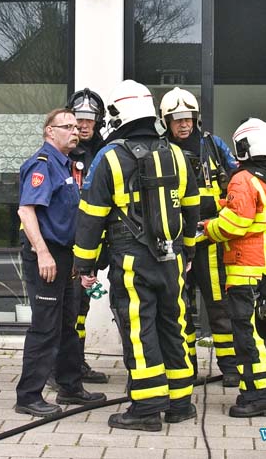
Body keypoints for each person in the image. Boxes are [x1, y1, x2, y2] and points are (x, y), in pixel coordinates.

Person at [73, 80, 200, 432]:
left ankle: (145, 408)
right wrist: (187, 249)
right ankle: (180, 402)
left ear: (117, 114)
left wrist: (84, 264)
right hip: (172, 258)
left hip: (131, 259)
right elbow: (192, 207)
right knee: (173, 325)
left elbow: (91, 216)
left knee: (139, 329)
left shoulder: (111, 158)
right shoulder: (176, 153)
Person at [14, 108, 107, 418]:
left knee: (68, 324)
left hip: (66, 258)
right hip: (48, 256)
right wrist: (43, 253)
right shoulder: (42, 166)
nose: (75, 130)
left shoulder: (67, 166)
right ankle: (28, 396)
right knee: (45, 327)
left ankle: (69, 386)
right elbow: (26, 212)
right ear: (49, 132)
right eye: (66, 126)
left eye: (76, 126)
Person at [202, 117, 266, 417]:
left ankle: (257, 396)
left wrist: (209, 229)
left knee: (248, 335)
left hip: (247, 272)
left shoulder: (243, 178)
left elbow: (237, 222)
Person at [159, 87, 239, 386]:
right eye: (177, 119)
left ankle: (230, 366)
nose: (184, 125)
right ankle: (185, 366)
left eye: (188, 118)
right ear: (166, 121)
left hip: (210, 242)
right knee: (179, 306)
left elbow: (236, 183)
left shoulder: (214, 146)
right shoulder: (160, 150)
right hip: (176, 242)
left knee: (219, 306)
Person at [67, 88, 109, 384]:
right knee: (68, 306)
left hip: (93, 241)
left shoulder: (106, 152)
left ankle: (76, 363)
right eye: (79, 119)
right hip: (68, 239)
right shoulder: (62, 150)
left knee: (83, 306)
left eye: (89, 120)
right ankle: (64, 367)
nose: (83, 125)